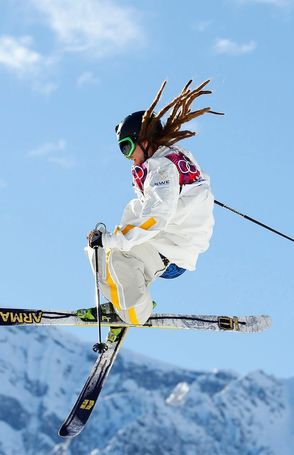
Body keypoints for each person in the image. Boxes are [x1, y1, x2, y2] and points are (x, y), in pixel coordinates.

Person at [80, 80, 223, 331]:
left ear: (145, 140)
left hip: (173, 248)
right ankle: (123, 300)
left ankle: (136, 312)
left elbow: (157, 217)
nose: (127, 156)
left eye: (127, 146)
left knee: (115, 257)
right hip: (169, 244)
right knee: (101, 251)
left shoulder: (161, 168)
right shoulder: (168, 159)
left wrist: (112, 240)